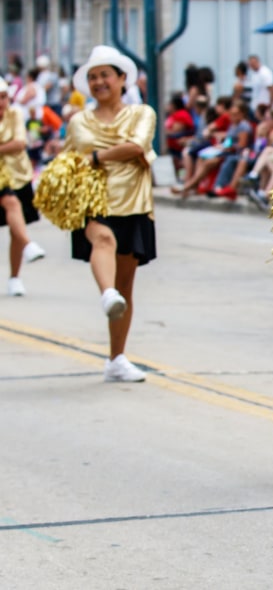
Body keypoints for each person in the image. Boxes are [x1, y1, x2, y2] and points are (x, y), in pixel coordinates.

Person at [63, 46, 158, 383]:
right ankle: (105, 294)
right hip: (94, 201)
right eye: (92, 77)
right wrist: (104, 156)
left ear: (121, 79)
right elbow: (75, 157)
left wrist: (95, 157)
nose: (99, 82)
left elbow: (137, 146)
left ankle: (116, 358)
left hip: (133, 203)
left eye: (105, 75)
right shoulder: (78, 120)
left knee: (126, 284)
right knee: (101, 240)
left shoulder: (142, 113)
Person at [0, 79, 46, 297]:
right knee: (11, 203)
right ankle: (28, 245)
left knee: (16, 225)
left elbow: (20, 143)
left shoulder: (15, 114)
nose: (1, 102)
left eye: (3, 97)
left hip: (17, 176)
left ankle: (15, 277)